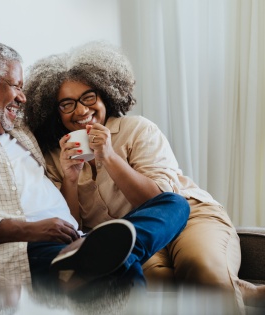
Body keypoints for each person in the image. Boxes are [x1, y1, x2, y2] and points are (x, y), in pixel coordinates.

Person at [0, 41, 189, 292]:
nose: (23, 97)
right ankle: (102, 257)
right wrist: (27, 230)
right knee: (116, 271)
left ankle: (101, 254)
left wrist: (71, 177)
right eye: (16, 86)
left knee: (175, 204)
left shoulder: (22, 135)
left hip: (75, 240)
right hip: (15, 252)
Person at [22, 40, 265, 309]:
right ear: (55, 112)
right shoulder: (56, 157)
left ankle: (228, 287)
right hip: (134, 238)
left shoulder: (137, 129)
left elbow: (162, 202)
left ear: (105, 95)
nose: (80, 110)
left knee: (203, 273)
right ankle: (242, 291)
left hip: (189, 217)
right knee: (153, 285)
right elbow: (73, 228)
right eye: (66, 104)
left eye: (89, 97)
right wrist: (69, 178)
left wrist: (110, 157)